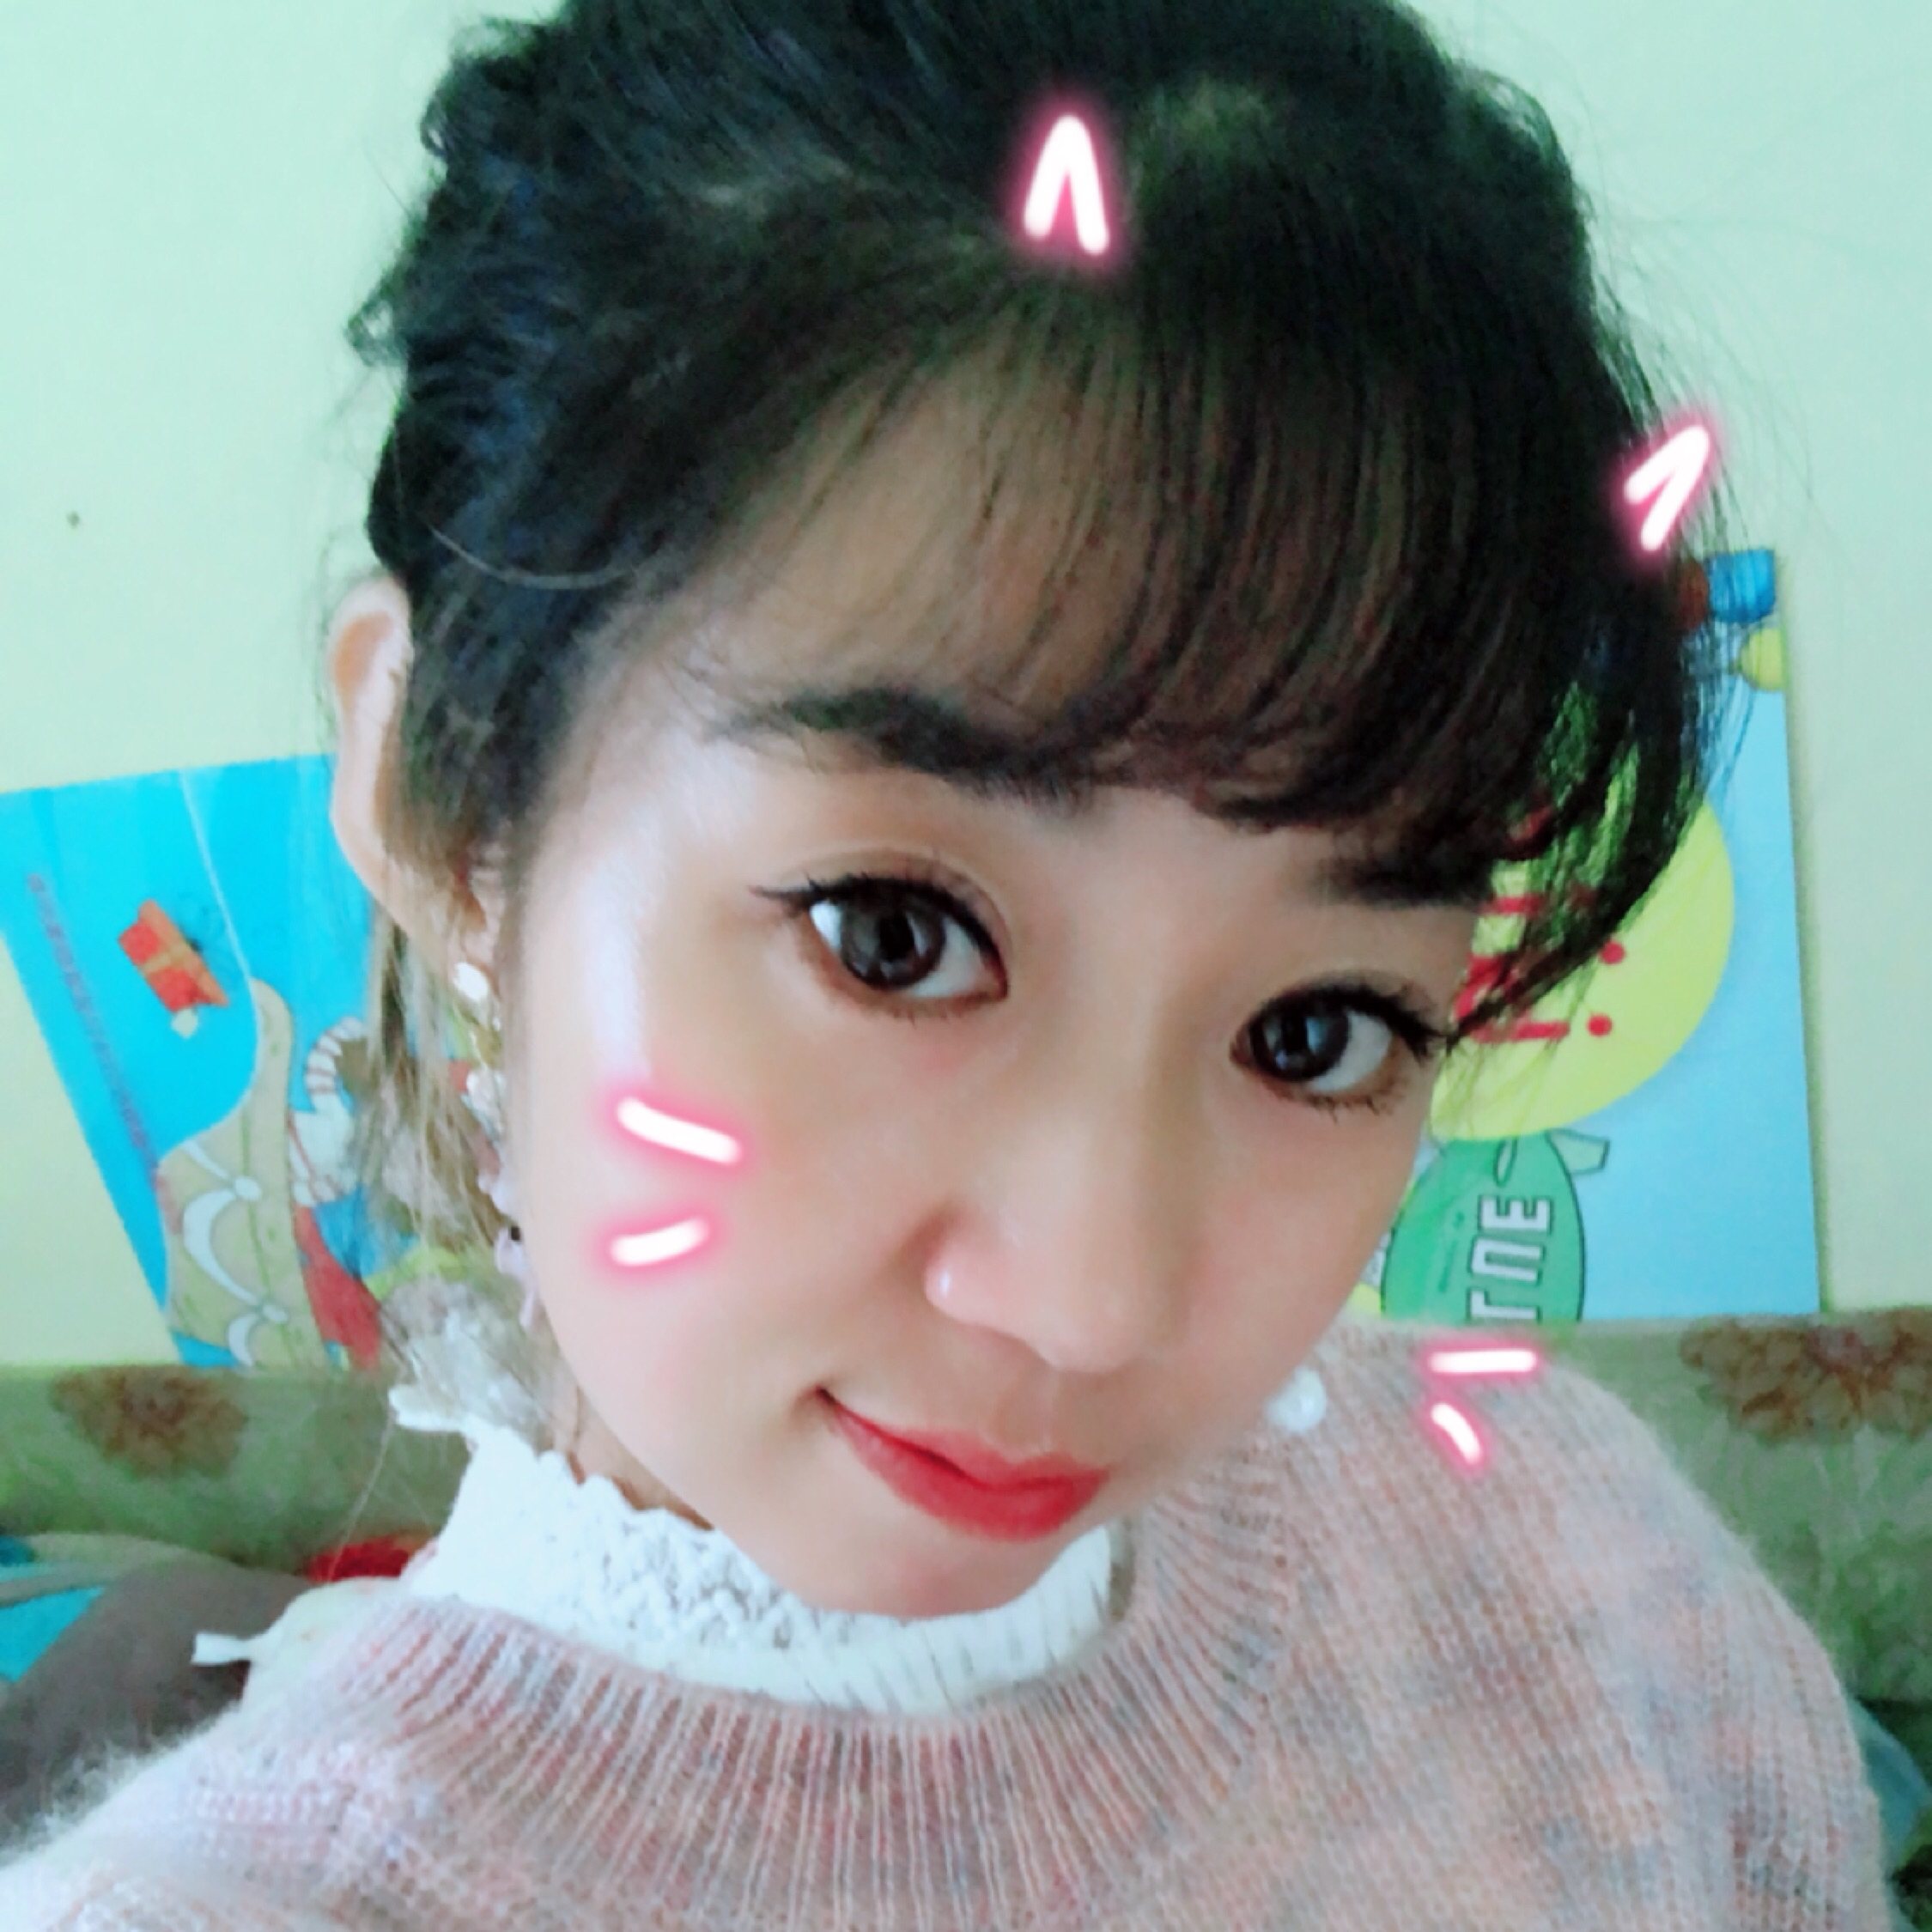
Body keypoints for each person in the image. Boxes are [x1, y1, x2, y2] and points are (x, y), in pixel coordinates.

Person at [0, 0, 1893, 1923]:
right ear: (442, 795)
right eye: (894, 939)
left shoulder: (1585, 1576)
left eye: (1318, 1031)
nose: (1092, 1301)